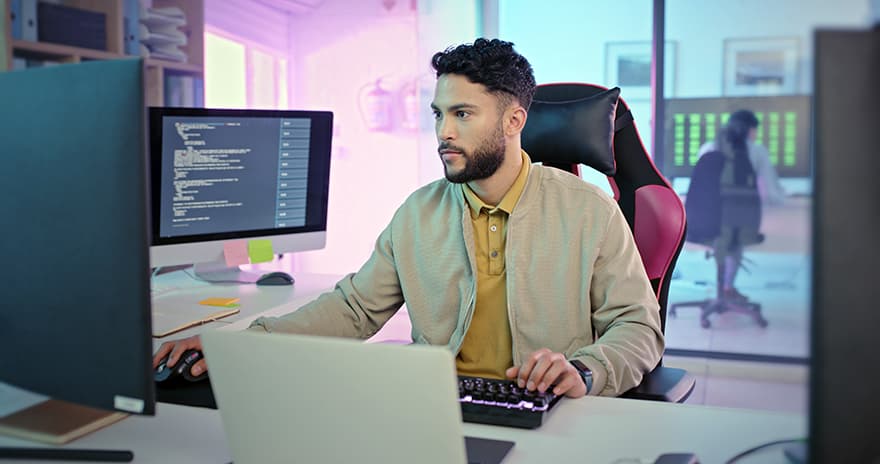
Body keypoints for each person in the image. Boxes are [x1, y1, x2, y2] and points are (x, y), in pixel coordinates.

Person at [154, 38, 664, 398]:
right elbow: (354, 309)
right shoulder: (419, 213)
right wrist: (242, 346)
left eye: (462, 114)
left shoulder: (589, 211)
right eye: (438, 114)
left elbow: (638, 326)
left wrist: (585, 370)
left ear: (514, 121)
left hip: (551, 411)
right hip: (437, 408)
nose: (443, 131)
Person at [686, 112, 764, 302]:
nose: (755, 135)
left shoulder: (707, 148)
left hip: (702, 220)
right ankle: (727, 288)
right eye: (754, 130)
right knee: (735, 241)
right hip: (732, 221)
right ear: (747, 130)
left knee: (726, 239)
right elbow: (767, 189)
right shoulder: (754, 151)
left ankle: (725, 289)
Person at [697, 110, 786, 206]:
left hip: (712, 210)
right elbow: (771, 191)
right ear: (751, 130)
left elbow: (699, 187)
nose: (756, 135)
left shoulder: (707, 148)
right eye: (756, 131)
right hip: (747, 210)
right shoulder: (758, 151)